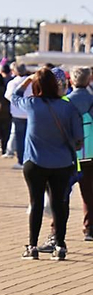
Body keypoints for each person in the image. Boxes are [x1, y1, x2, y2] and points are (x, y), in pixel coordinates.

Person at [19, 67, 82, 260]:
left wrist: (28, 81)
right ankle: (60, 245)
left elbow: (13, 95)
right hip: (62, 162)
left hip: (35, 162)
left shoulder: (31, 104)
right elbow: (78, 139)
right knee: (59, 203)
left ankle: (32, 246)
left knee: (36, 203)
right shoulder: (68, 107)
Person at [67, 67, 93, 242]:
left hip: (68, 155)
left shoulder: (64, 102)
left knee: (61, 192)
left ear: (71, 81)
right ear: (89, 80)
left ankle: (56, 229)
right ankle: (89, 228)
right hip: (90, 153)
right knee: (90, 193)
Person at [5, 61, 33, 167]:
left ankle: (21, 160)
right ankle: (29, 159)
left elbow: (9, 96)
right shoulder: (32, 82)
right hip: (31, 113)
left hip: (18, 113)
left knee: (20, 138)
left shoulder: (13, 83)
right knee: (29, 138)